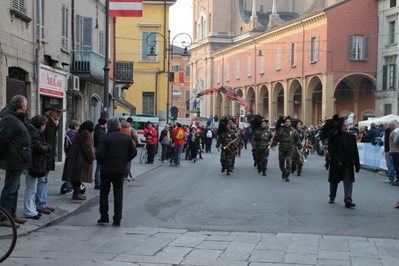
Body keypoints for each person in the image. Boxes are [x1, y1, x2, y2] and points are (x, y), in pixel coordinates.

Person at [95, 117, 137, 226]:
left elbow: (99, 154)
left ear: (108, 125)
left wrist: (103, 162)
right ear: (118, 125)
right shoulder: (126, 138)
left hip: (106, 170)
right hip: (120, 170)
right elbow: (133, 152)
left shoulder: (105, 137)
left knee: (104, 193)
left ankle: (104, 216)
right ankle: (117, 218)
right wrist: (124, 160)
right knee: (118, 194)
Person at [0, 95, 31, 227]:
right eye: (26, 104)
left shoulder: (16, 118)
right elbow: (2, 139)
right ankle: (3, 217)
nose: (27, 107)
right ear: (22, 106)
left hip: (19, 158)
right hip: (13, 158)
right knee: (10, 188)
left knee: (15, 187)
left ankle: (11, 214)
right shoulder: (10, 119)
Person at [321, 115, 360, 208]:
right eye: (344, 126)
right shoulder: (334, 137)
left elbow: (355, 151)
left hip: (348, 163)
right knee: (334, 181)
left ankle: (348, 199)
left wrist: (357, 164)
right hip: (337, 163)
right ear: (340, 126)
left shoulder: (351, 137)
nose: (346, 127)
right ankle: (332, 196)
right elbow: (331, 150)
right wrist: (336, 161)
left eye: (347, 125)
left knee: (348, 181)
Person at [37, 104, 65, 215]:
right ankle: (40, 204)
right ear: (51, 112)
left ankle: (43, 203)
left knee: (44, 181)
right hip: (44, 157)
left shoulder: (54, 124)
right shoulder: (47, 124)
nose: (59, 114)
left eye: (61, 112)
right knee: (42, 181)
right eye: (57, 112)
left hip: (48, 157)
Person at [24, 115, 52, 220]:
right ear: (41, 125)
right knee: (31, 189)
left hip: (33, 163)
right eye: (44, 124)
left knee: (32, 188)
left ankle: (32, 209)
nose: (45, 127)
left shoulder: (34, 132)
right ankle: (29, 210)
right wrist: (47, 147)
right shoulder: (34, 134)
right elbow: (37, 148)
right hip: (33, 163)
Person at [61, 121, 95, 200]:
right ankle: (76, 193)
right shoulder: (85, 134)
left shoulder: (79, 133)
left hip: (74, 157)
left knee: (76, 177)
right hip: (80, 158)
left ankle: (76, 193)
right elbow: (87, 146)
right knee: (78, 176)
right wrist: (91, 157)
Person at [270, 116, 302, 182]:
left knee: (289, 163)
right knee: (281, 163)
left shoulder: (293, 130)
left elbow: (297, 139)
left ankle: (287, 175)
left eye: (289, 122)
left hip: (290, 148)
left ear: (291, 123)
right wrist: (273, 145)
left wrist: (300, 147)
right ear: (284, 122)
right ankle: (283, 171)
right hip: (282, 148)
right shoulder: (280, 130)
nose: (287, 123)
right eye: (286, 122)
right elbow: (276, 138)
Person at [63, 120, 81, 194]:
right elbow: (74, 144)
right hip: (71, 155)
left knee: (70, 171)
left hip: (71, 154)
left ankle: (70, 187)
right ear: (75, 126)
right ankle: (69, 188)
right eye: (78, 126)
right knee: (70, 171)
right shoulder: (71, 134)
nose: (78, 127)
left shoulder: (72, 133)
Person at [93, 118, 107, 189]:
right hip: (100, 151)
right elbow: (100, 142)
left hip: (100, 150)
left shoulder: (100, 130)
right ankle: (98, 183)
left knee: (100, 168)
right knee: (99, 168)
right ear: (103, 123)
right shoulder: (99, 131)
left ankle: (99, 182)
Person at [389, 120, 399, 187]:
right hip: (395, 150)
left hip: (396, 151)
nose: (390, 126)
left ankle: (398, 180)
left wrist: (392, 149)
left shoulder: (395, 131)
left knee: (397, 166)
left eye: (390, 124)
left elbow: (396, 141)